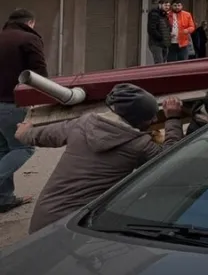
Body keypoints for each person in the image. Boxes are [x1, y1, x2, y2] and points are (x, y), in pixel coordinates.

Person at [16, 83, 184, 233]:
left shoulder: (83, 123)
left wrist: (25, 131)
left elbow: (41, 135)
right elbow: (171, 159)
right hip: (77, 225)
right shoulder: (137, 144)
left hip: (43, 219)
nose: (155, 119)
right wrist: (173, 119)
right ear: (137, 119)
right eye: (151, 116)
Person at [0, 9, 46, 214]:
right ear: (30, 22)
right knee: (23, 148)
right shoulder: (29, 39)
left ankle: (4, 199)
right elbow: (39, 74)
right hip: (12, 102)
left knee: (3, 150)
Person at [146, 0, 171, 65]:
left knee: (163, 63)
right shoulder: (154, 14)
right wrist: (160, 37)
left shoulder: (165, 15)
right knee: (159, 63)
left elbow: (166, 28)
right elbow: (151, 29)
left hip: (165, 43)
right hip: (156, 43)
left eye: (168, 5)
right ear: (160, 5)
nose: (167, 7)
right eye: (165, 5)